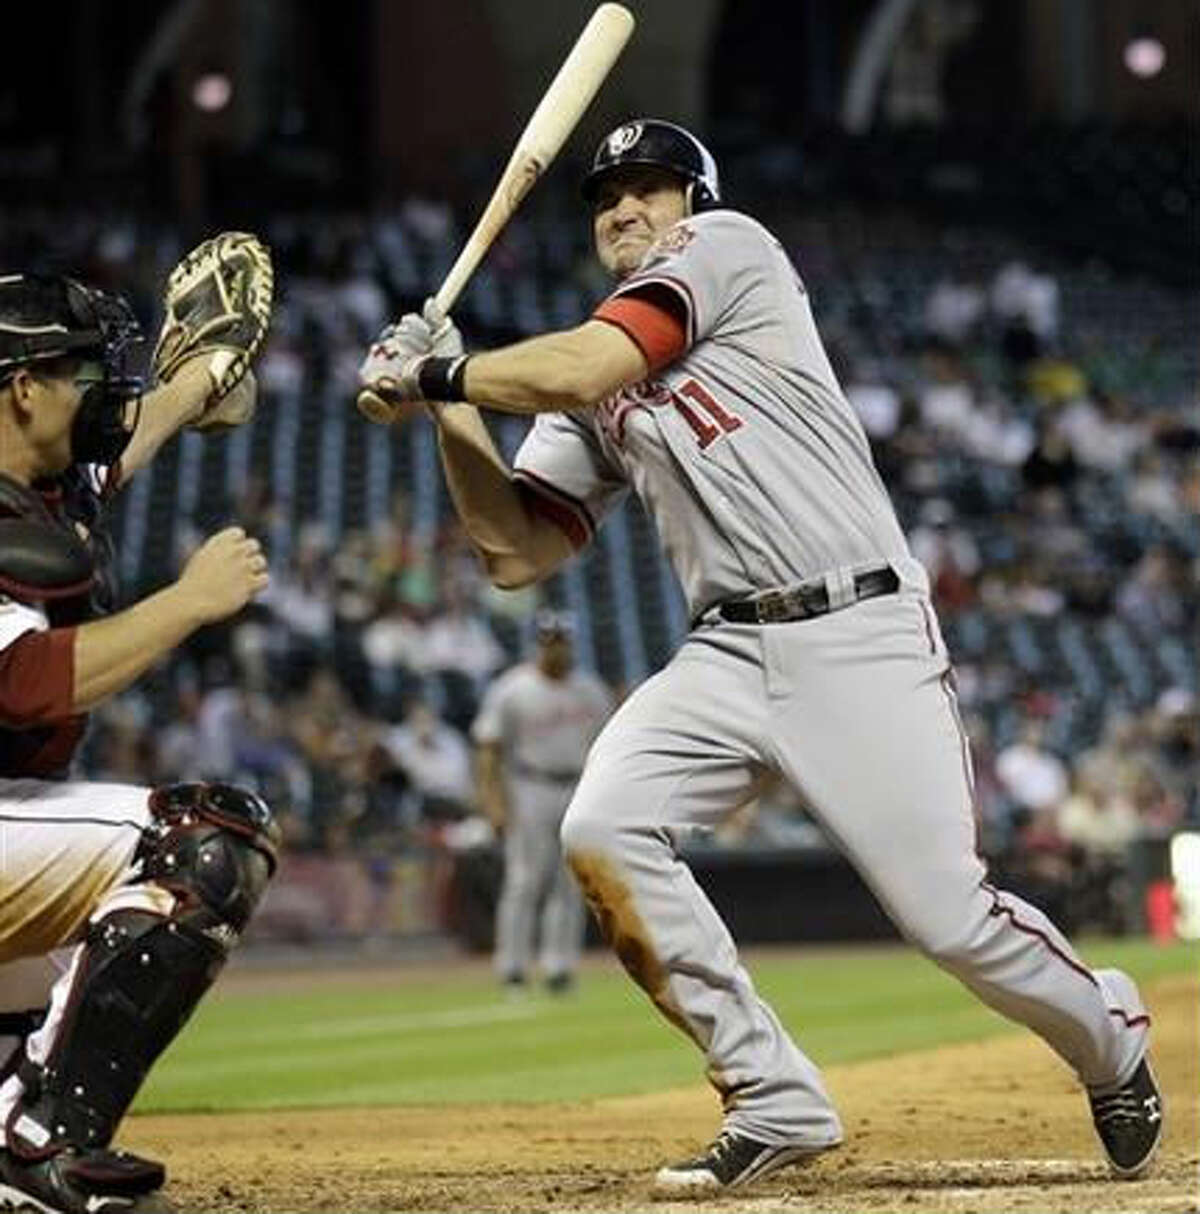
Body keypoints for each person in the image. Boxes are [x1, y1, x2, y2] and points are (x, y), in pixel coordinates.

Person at [357, 120, 1162, 1192]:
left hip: (858, 628)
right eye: (607, 199)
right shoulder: (580, 383)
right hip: (725, 646)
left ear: (695, 202)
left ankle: (1108, 1032)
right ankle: (772, 1091)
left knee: (947, 917)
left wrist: (443, 369)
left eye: (652, 188)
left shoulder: (729, 251)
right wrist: (445, 410)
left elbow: (599, 356)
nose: (626, 209)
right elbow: (516, 549)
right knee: (602, 825)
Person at [0, 268, 279, 1214]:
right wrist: (190, 602)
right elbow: (24, 684)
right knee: (203, 842)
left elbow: (129, 437)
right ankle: (35, 1145)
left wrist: (200, 379)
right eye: (84, 372)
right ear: (23, 389)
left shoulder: (39, 477)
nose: (106, 392)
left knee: (71, 996)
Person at [471, 610, 612, 993]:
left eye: (562, 641)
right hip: (529, 785)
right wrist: (493, 801)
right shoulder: (513, 688)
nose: (556, 649)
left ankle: (559, 968)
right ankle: (512, 968)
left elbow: (609, 745)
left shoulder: (589, 689)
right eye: (550, 641)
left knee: (570, 883)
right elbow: (488, 748)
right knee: (524, 880)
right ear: (537, 644)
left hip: (577, 786)